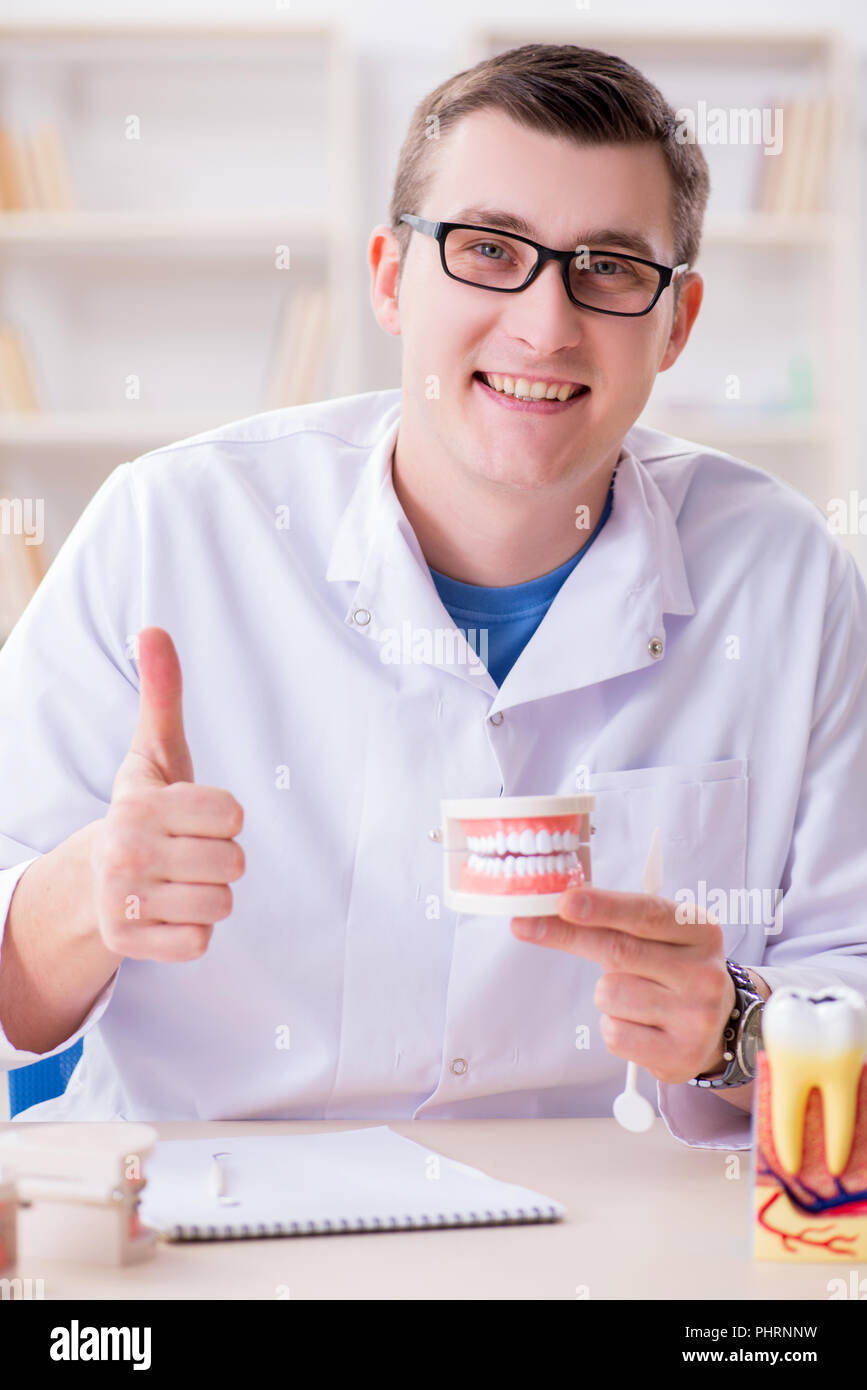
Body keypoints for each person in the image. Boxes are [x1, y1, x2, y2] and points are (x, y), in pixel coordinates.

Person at [0, 44, 864, 1147]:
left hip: (613, 1241)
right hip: (207, 1224)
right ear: (391, 275)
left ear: (677, 322)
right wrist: (90, 894)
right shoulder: (168, 528)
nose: (545, 326)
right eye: (490, 249)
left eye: (606, 267)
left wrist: (737, 1030)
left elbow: (849, 977)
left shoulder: (787, 576)